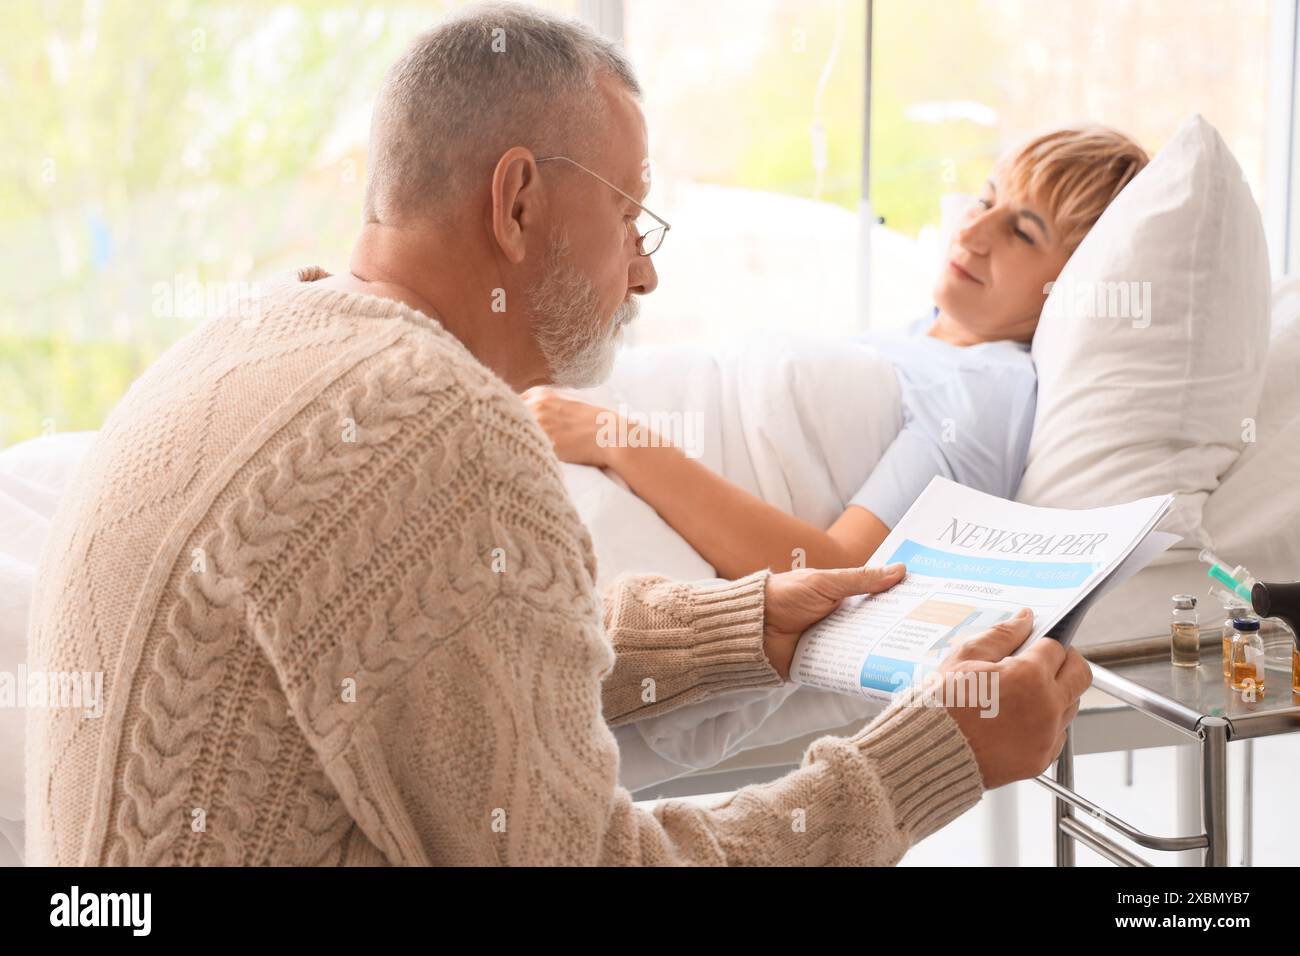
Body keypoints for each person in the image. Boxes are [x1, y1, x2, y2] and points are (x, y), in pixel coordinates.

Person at [25, 1, 1089, 866]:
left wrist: (739, 627)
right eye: (632, 216)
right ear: (519, 202)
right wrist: (933, 753)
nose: (644, 269)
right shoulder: (436, 433)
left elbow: (446, 661)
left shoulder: (257, 335)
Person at [525, 127, 1150, 578]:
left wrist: (616, 438)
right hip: (569, 414)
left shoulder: (984, 394)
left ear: (1072, 284)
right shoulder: (916, 337)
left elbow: (841, 573)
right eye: (988, 200)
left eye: (1021, 231)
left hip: (594, 452)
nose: (972, 230)